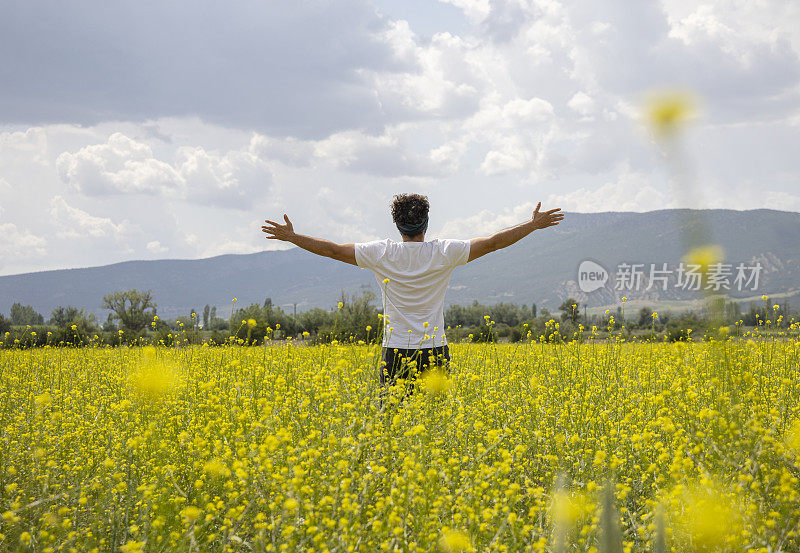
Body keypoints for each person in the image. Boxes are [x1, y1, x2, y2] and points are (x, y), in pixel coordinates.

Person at [261, 194, 564, 405]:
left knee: (390, 425)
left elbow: (333, 250)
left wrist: (292, 237)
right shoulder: (444, 252)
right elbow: (494, 242)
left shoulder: (382, 253)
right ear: (427, 223)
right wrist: (532, 225)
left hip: (395, 351)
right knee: (434, 426)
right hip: (435, 351)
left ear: (396, 224)